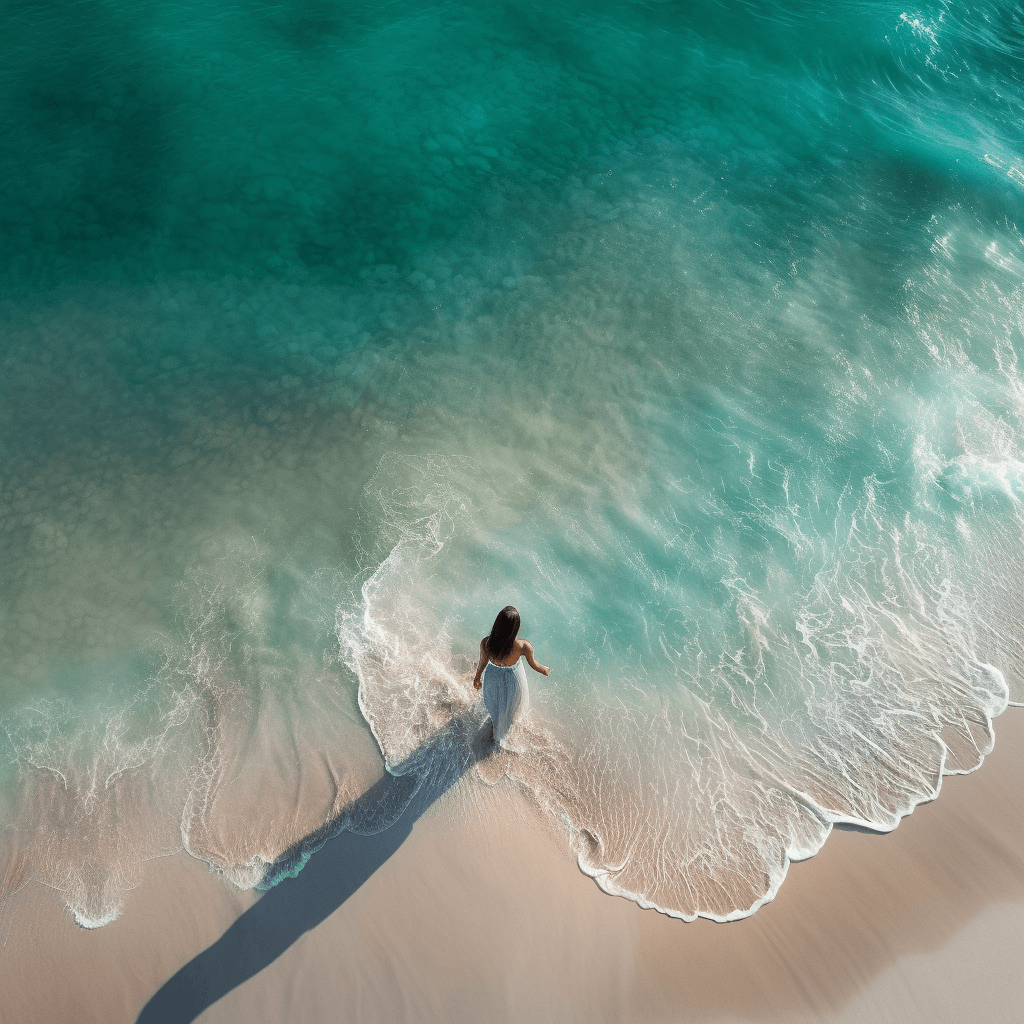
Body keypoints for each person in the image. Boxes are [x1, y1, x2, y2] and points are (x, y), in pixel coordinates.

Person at [473, 605, 550, 746]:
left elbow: (483, 662)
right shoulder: (523, 646)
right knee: (511, 708)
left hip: (492, 677)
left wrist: (477, 677)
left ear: (497, 624)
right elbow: (534, 664)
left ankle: (493, 731)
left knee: (495, 706)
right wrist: (545, 670)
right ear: (515, 628)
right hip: (513, 679)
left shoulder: (486, 642)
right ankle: (500, 737)